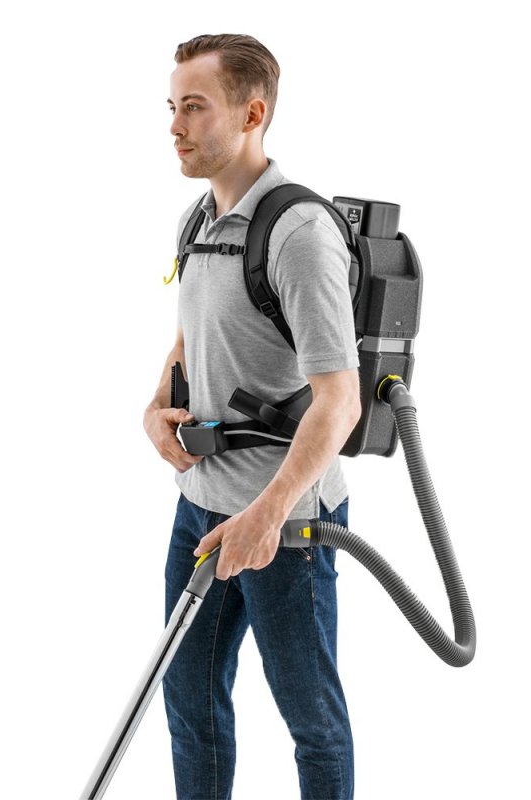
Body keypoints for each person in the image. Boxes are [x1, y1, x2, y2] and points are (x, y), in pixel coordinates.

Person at [144, 33, 360, 800]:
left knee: (311, 722)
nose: (174, 126)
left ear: (252, 114)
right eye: (172, 107)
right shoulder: (196, 221)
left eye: (194, 107)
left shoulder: (299, 233)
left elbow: (340, 398)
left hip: (286, 524)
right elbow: (191, 333)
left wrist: (268, 517)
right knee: (190, 704)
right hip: (199, 509)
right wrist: (157, 403)